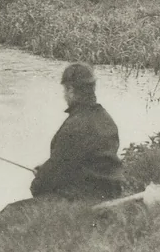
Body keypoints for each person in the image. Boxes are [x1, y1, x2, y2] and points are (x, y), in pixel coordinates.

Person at [28, 62, 125, 202]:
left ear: (71, 90)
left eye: (64, 90)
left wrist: (39, 179)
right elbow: (82, 161)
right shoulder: (106, 119)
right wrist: (45, 169)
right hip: (110, 192)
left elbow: (46, 182)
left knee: (8, 213)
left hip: (82, 199)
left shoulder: (74, 126)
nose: (64, 95)